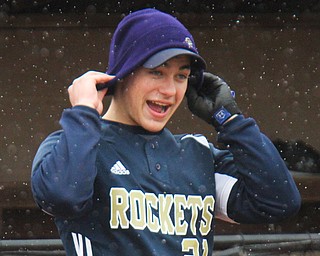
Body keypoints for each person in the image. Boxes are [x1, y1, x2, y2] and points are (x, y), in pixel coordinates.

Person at [31, 8, 301, 256]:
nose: (171, 91)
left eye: (181, 76)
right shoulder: (76, 145)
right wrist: (84, 111)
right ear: (123, 73)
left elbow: (278, 202)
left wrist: (231, 121)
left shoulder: (197, 153)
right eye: (157, 72)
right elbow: (63, 198)